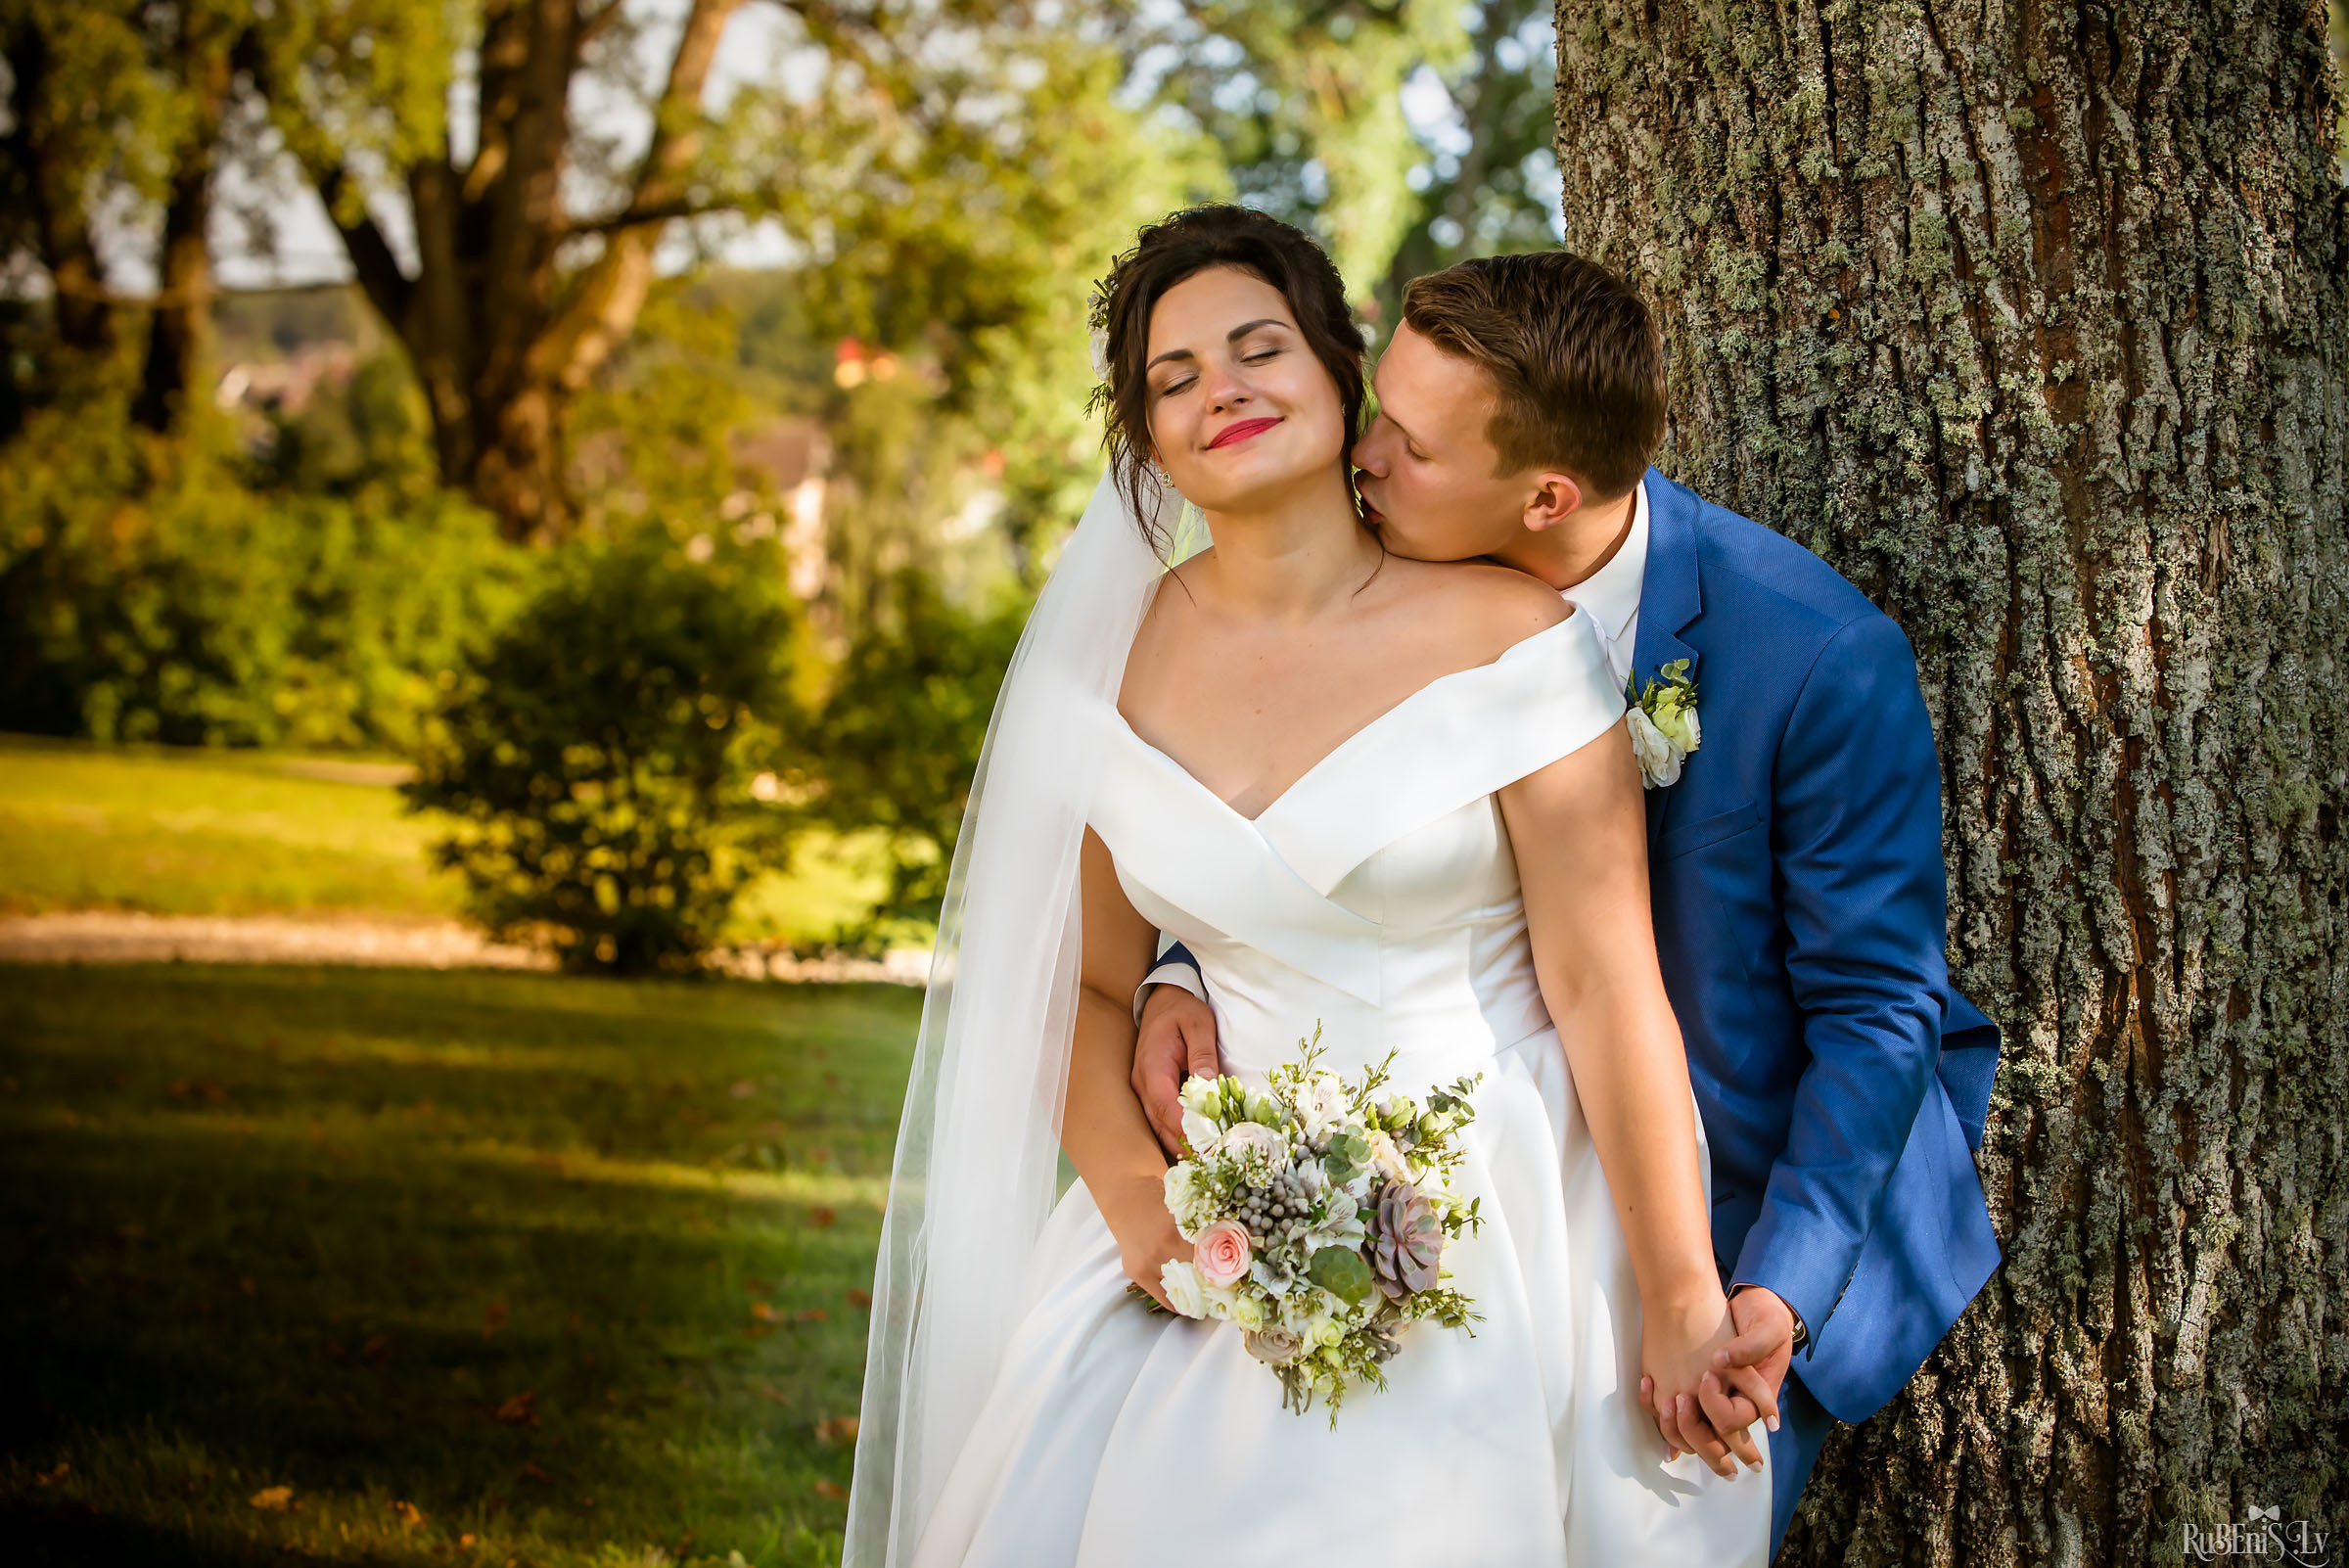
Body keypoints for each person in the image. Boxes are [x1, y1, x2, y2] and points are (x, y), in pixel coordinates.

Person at [845, 206, 1772, 1567]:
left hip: (1498, 1214)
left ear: (1343, 372)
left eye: (1258, 345)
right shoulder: (1104, 672)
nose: (1219, 387)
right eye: (1172, 378)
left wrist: (1682, 1290)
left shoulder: (1514, 640)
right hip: (1214, 1233)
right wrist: (1141, 1209)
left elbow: (1605, 982)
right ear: (1147, 438)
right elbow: (1086, 984)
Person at [1130, 250, 2004, 1559]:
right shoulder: (1377, 555)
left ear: (1542, 494)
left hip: (1748, 1205)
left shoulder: (1814, 658)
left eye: (1410, 448)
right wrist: (1184, 963)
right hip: (1453, 1187)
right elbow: (1290, 802)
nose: (1362, 460)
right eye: (1378, 413)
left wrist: (1765, 1288)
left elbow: (1879, 1008)